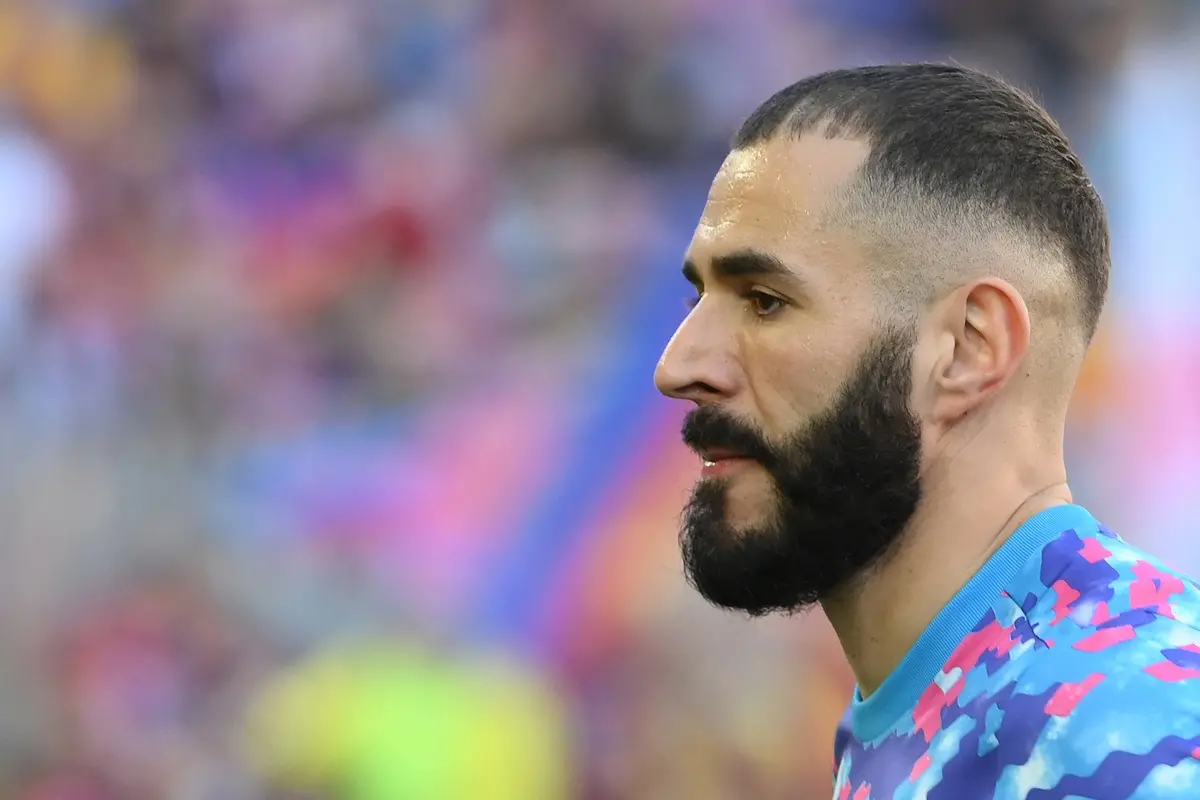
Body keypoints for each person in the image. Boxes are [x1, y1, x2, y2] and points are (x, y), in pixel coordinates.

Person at [653, 63, 1200, 799]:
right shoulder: (939, 710)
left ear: (970, 347)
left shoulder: (1136, 742)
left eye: (764, 300)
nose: (678, 365)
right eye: (698, 298)